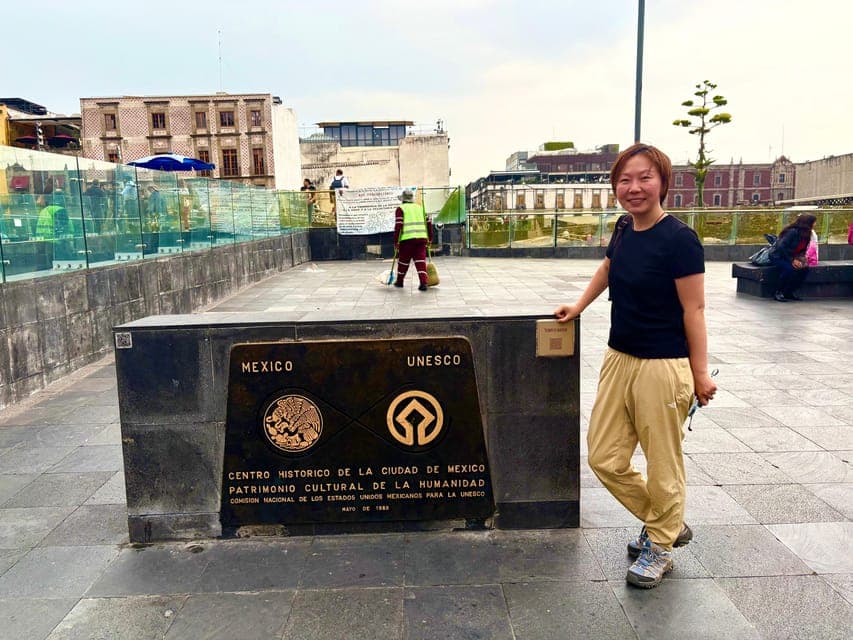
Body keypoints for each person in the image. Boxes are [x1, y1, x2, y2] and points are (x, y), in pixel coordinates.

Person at [554, 143, 716, 589]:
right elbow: (608, 268)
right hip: (619, 356)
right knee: (604, 456)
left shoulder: (680, 240)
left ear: (663, 181)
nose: (634, 187)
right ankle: (665, 522)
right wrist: (580, 306)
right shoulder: (625, 228)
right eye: (625, 180)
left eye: (644, 177)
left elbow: (695, 310)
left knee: (663, 460)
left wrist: (700, 374)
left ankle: (660, 544)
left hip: (663, 365)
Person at [767, 214, 817, 301]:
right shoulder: (793, 232)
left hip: (792, 256)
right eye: (814, 222)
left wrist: (801, 259)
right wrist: (792, 261)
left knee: (804, 269)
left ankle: (789, 292)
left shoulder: (807, 234)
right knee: (789, 269)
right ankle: (778, 292)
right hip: (778, 256)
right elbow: (781, 247)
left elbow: (802, 249)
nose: (815, 224)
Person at [393, 189, 432, 291]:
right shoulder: (421, 208)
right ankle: (423, 283)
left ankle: (400, 281)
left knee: (403, 262)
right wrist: (430, 239)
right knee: (420, 261)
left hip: (407, 240)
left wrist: (396, 241)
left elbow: (398, 226)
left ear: (403, 199)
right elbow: (429, 224)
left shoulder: (400, 209)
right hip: (422, 239)